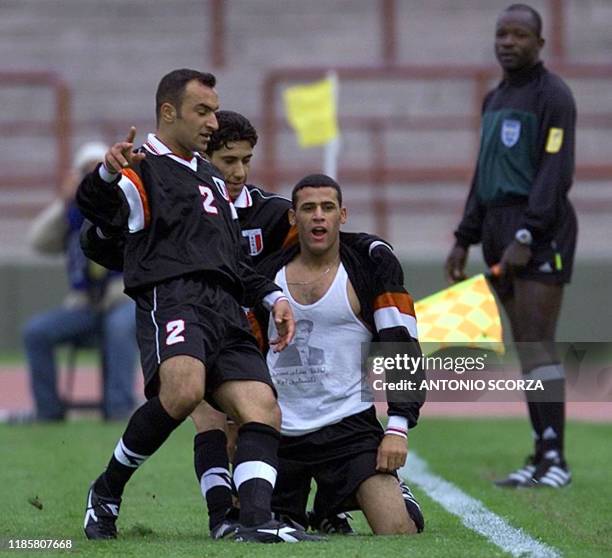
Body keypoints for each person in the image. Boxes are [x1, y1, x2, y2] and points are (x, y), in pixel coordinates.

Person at [76, 69, 320, 543]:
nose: (212, 122)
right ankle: (105, 491)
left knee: (262, 408)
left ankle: (253, 522)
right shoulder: (141, 167)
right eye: (202, 111)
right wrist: (107, 172)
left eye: (213, 110)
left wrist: (273, 298)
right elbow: (95, 211)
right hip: (173, 297)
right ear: (168, 112)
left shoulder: (209, 176)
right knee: (185, 390)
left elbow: (228, 261)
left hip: (226, 306)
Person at [445, 4, 576, 488]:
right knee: (526, 347)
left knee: (539, 344)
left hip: (540, 230)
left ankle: (555, 458)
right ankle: (541, 452)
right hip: (498, 227)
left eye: (520, 35)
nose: (508, 42)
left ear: (539, 43)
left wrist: (528, 233)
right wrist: (464, 236)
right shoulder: (495, 98)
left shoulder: (553, 96)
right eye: (502, 34)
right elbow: (483, 173)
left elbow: (556, 170)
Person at [253, 174, 426, 534]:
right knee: (257, 529)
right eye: (308, 208)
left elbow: (402, 345)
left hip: (348, 428)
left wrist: (397, 428)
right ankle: (327, 509)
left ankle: (378, 496)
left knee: (398, 530)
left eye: (327, 208)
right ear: (292, 218)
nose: (319, 216)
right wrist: (236, 424)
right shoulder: (265, 277)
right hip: (279, 432)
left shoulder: (368, 268)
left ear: (342, 216)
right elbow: (245, 354)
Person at [21, 142, 137, 422]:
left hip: (122, 298)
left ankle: (119, 410)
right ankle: (48, 413)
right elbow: (38, 241)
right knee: (35, 332)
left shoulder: (126, 206)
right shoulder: (72, 215)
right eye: (87, 172)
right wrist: (64, 203)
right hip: (83, 305)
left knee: (119, 327)